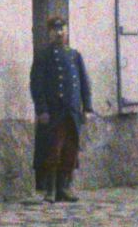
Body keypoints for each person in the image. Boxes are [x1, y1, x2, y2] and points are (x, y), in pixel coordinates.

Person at [29, 14, 93, 202]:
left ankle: (64, 188)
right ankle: (50, 189)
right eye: (55, 30)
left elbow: (84, 83)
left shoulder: (74, 55)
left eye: (62, 29)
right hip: (54, 112)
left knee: (70, 150)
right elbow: (37, 85)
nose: (59, 33)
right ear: (49, 33)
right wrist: (42, 110)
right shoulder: (43, 56)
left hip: (72, 111)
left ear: (67, 31)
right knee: (53, 150)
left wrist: (87, 108)